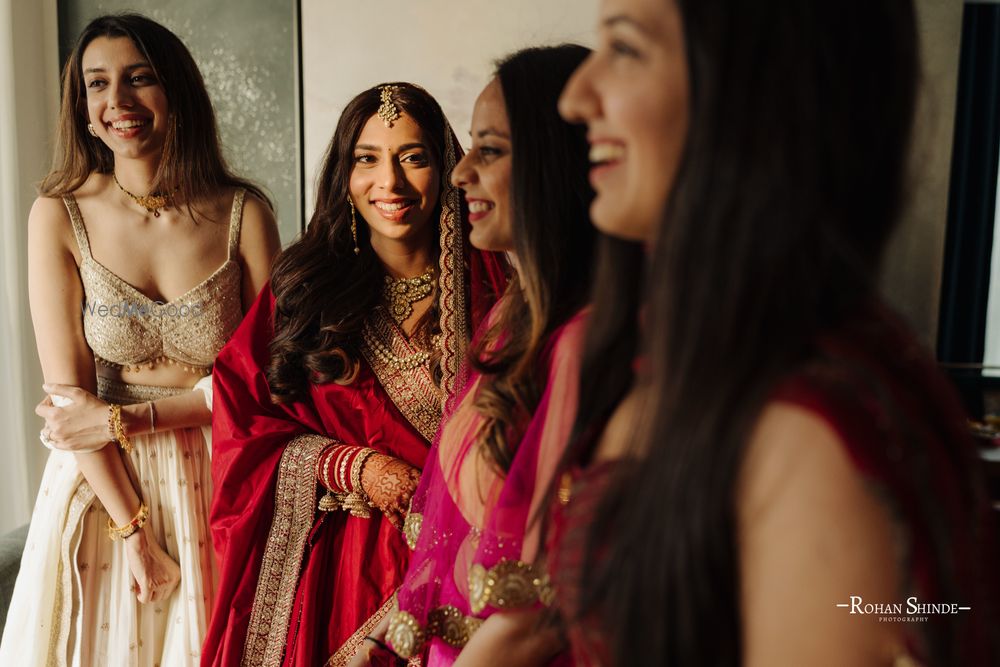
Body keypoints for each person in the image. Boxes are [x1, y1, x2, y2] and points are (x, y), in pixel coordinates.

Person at [546, 0, 999, 665]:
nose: (574, 98)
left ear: (751, 93)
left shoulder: (811, 431)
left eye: (626, 48)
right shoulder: (668, 356)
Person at [0, 13, 280, 667]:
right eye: (97, 84)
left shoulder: (242, 213)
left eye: (139, 79)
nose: (117, 102)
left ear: (175, 89)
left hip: (222, 474)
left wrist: (129, 415)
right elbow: (69, 402)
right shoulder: (59, 213)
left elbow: (268, 378)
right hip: (103, 484)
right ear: (82, 107)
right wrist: (132, 531)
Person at [203, 82, 507, 667]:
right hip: (340, 578)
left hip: (466, 570)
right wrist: (355, 466)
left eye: (412, 158)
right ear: (345, 173)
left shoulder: (499, 295)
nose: (389, 183)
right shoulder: (304, 292)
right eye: (367, 159)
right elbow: (242, 423)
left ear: (446, 169)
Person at [348, 45, 594, 667]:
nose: (461, 173)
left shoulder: (577, 338)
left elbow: (540, 605)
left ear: (553, 164)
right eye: (367, 160)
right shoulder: (510, 318)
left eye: (488, 150)